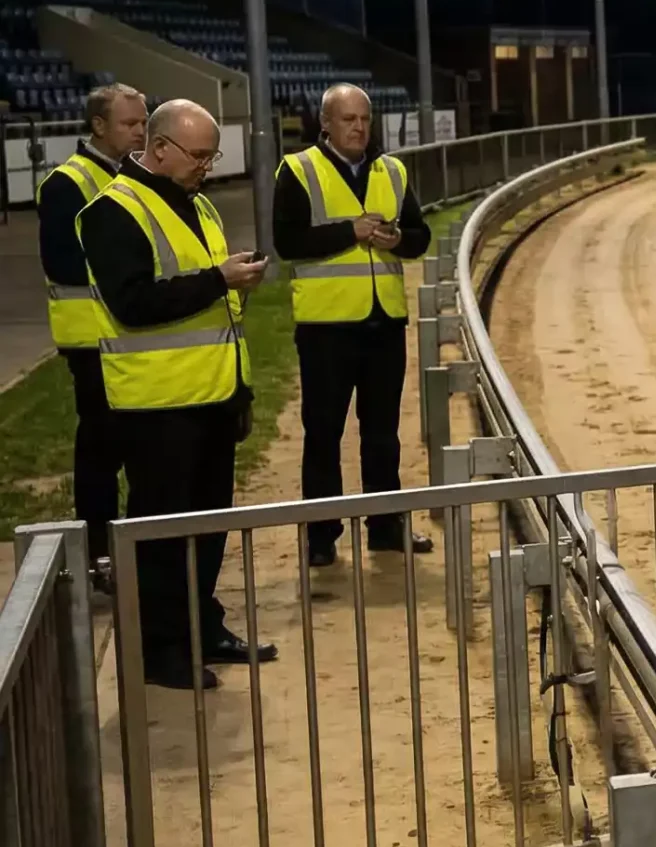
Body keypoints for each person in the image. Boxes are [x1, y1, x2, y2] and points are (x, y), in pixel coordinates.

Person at [78, 99, 276, 690]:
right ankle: (158, 650)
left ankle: (201, 625)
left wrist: (232, 281)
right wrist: (219, 279)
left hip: (213, 398)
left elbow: (206, 297)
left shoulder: (198, 202)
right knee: (161, 535)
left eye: (212, 155)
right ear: (158, 148)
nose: (207, 166)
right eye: (198, 155)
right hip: (157, 409)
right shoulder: (112, 212)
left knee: (209, 527)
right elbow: (133, 303)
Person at [273, 83, 432, 567]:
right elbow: (288, 242)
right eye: (348, 119)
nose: (360, 127)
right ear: (326, 124)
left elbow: (419, 237)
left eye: (365, 118)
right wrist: (351, 231)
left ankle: (385, 526)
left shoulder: (393, 170)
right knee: (324, 433)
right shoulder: (298, 170)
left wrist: (397, 236)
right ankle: (321, 536)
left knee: (383, 433)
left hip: (383, 323)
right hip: (326, 328)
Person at [37, 83, 148, 584]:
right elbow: (63, 263)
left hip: (139, 334)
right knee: (102, 451)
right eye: (130, 124)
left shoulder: (142, 176)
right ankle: (99, 553)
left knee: (140, 448)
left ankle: (134, 546)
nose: (141, 132)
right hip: (92, 341)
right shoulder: (68, 184)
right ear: (98, 126)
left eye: (144, 122)